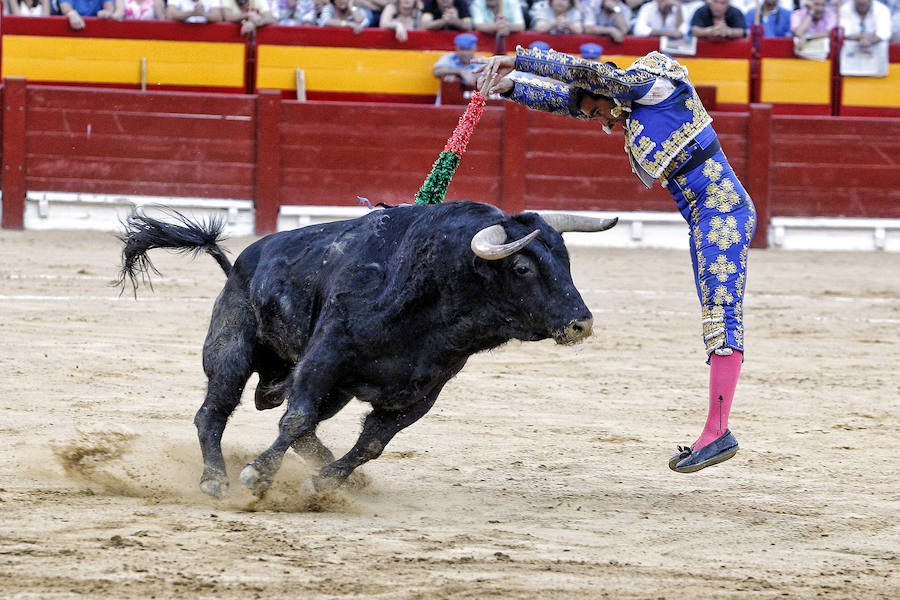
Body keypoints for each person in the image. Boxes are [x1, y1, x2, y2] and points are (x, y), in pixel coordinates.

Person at [475, 47, 757, 473]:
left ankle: (718, 431)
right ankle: (717, 429)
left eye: (601, 112)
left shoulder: (654, 87)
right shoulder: (623, 102)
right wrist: (511, 87)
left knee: (721, 318)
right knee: (717, 316)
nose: (603, 123)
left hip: (724, 213)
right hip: (706, 217)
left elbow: (584, 72)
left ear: (612, 94)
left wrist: (519, 60)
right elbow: (568, 99)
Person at [432, 31, 480, 103]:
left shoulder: (480, 62)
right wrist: (461, 72)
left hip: (472, 107)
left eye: (468, 50)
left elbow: (490, 76)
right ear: (456, 48)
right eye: (462, 49)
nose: (465, 53)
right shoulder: (449, 58)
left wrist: (475, 77)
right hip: (447, 106)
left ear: (475, 49)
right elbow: (436, 71)